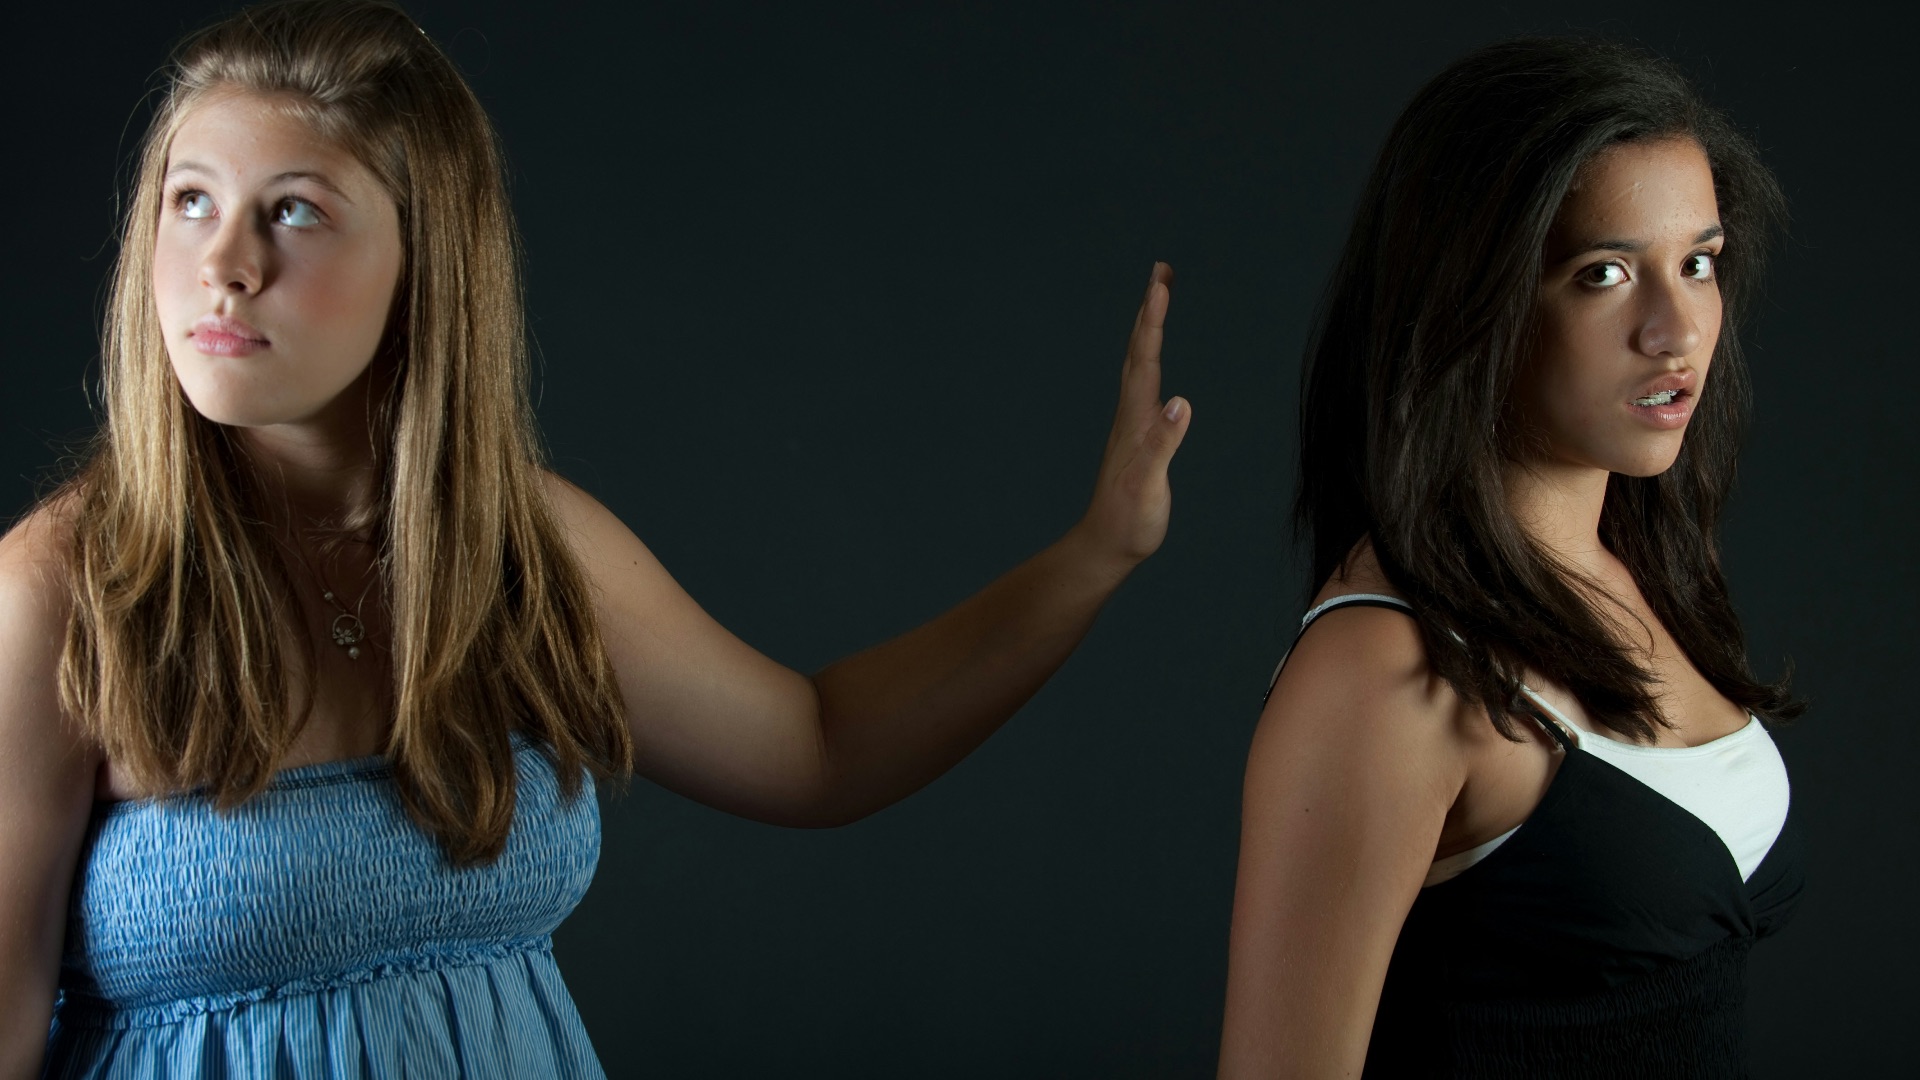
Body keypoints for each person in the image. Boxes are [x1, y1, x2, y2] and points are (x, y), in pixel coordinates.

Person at [0, 1, 1192, 1074]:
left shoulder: (522, 551)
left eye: (295, 211)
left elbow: (818, 749)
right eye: (190, 201)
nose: (224, 265)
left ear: (426, 258)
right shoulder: (57, 595)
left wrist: (1093, 556)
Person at [1218, 38, 1802, 1077]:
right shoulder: (1386, 673)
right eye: (1603, 274)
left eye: (1698, 264)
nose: (1676, 332)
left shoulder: (1643, 568)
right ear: (1471, 298)